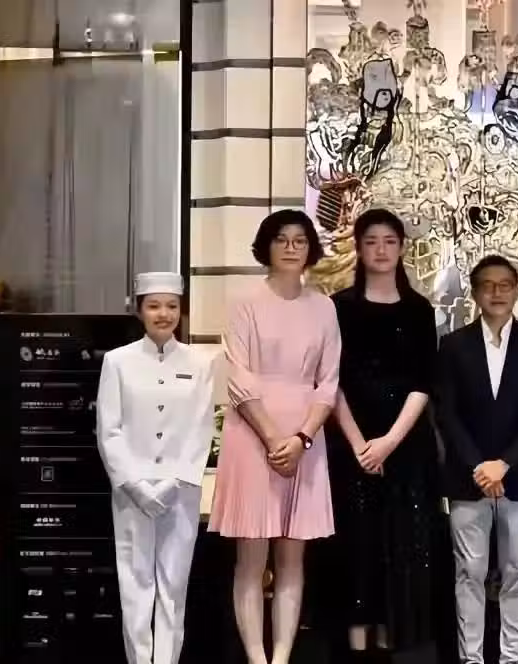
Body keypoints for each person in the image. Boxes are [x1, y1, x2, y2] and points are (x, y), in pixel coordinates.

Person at [208, 209, 341, 664]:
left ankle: (282, 656)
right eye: (281, 239)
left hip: (305, 438)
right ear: (266, 246)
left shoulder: (324, 306)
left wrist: (301, 439)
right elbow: (239, 377)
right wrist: (272, 439)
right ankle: (255, 657)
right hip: (252, 436)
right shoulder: (244, 301)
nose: (290, 247)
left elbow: (328, 382)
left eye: (299, 240)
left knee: (292, 559)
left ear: (310, 249)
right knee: (250, 558)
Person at [328, 208, 441, 661]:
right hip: (350, 444)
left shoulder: (419, 309)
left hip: (406, 446)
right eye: (371, 241)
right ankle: (357, 648)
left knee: (402, 546)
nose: (381, 250)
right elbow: (329, 382)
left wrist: (390, 441)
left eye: (390, 241)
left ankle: (393, 644)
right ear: (358, 249)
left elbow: (423, 382)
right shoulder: (338, 307)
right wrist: (360, 445)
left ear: (401, 248)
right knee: (358, 544)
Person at [435, 255, 518, 664]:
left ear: (517, 290)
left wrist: (503, 464)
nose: (497, 292)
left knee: (517, 571)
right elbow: (447, 414)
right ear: (475, 292)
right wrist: (479, 466)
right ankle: (471, 658)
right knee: (468, 573)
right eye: (488, 285)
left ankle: (511, 658)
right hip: (467, 478)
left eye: (505, 284)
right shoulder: (453, 346)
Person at [96, 271, 216, 664]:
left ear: (181, 310)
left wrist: (173, 483)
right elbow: (109, 430)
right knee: (135, 586)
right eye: (154, 306)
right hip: (131, 494)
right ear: (139, 310)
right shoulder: (118, 362)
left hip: (180, 492)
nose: (163, 314)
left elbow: (201, 428)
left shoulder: (200, 363)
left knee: (173, 587)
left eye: (171, 306)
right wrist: (135, 485)